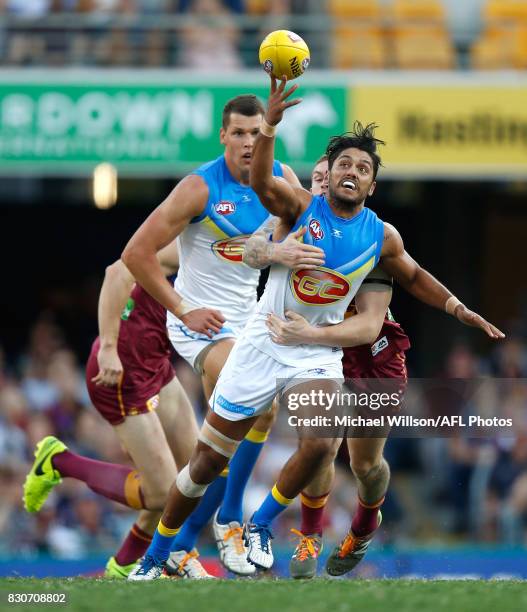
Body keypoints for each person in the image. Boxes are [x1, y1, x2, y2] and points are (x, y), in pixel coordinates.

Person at [120, 93, 326, 576]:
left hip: (252, 319)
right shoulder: (199, 188)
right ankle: (230, 518)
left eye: (257, 133)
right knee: (257, 400)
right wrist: (182, 308)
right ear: (223, 136)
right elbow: (135, 253)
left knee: (220, 443)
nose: (249, 143)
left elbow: (301, 252)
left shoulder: (282, 184)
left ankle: (178, 543)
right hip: (201, 323)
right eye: (239, 133)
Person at [23, 241, 218, 578]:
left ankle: (124, 566)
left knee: (194, 477)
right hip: (120, 372)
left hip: (156, 367)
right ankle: (58, 461)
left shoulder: (241, 266)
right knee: (162, 493)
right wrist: (108, 347)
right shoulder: (194, 245)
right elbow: (116, 272)